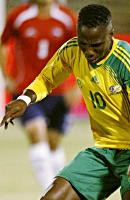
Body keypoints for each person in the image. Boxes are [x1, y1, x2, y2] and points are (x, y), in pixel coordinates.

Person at [1, 4, 130, 200]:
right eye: (84, 44)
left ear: (111, 33)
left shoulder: (126, 59)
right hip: (103, 152)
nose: (89, 52)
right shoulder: (72, 49)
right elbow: (46, 79)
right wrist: (24, 100)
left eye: (96, 45)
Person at [0, 0, 79, 190]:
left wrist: (77, 86)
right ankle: (50, 192)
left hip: (58, 91)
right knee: (37, 131)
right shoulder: (19, 16)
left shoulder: (67, 18)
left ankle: (60, 188)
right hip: (26, 91)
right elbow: (3, 44)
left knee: (53, 143)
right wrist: (6, 76)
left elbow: (80, 50)